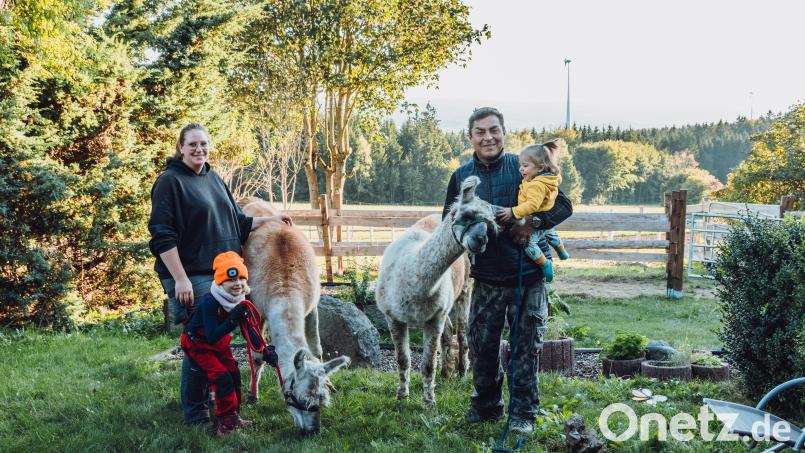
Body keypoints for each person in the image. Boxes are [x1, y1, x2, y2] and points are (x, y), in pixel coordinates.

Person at [148, 123, 291, 427]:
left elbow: (236, 221)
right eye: (193, 145)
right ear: (181, 147)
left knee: (217, 342)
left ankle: (222, 405)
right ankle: (197, 414)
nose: (199, 149)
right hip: (191, 274)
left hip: (222, 276)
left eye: (204, 144)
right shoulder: (170, 182)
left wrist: (271, 218)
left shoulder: (213, 178)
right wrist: (181, 279)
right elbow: (161, 235)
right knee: (200, 343)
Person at [441, 107, 572, 435]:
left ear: (503, 132)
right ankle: (486, 406)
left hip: (526, 277)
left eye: (494, 130)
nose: (488, 137)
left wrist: (532, 223)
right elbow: (449, 220)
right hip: (486, 278)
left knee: (525, 349)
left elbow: (563, 205)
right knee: (482, 348)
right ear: (470, 137)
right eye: (480, 131)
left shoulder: (524, 165)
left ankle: (522, 413)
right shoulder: (461, 176)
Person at [181, 251, 261, 437]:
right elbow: (212, 336)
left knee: (233, 373)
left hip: (219, 344)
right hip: (198, 344)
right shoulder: (210, 301)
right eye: (231, 280)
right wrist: (233, 319)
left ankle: (233, 416)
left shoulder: (240, 301)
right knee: (222, 377)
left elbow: (249, 331)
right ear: (220, 282)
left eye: (242, 278)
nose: (238, 283)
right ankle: (224, 423)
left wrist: (266, 350)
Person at [495, 140, 570, 282]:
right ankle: (561, 251)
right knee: (550, 232)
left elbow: (532, 205)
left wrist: (513, 212)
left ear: (540, 167)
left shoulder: (536, 185)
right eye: (520, 166)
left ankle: (544, 263)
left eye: (525, 166)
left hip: (534, 221)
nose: (521, 170)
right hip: (545, 221)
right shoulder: (543, 180)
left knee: (528, 244)